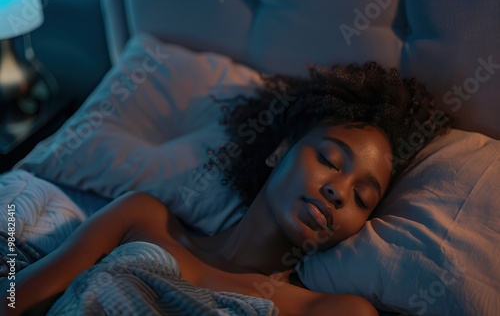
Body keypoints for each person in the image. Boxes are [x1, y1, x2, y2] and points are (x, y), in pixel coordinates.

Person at [0, 62, 452, 315]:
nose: (338, 192)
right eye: (330, 161)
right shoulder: (141, 217)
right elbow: (16, 299)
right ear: (280, 151)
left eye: (362, 198)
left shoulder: (333, 312)